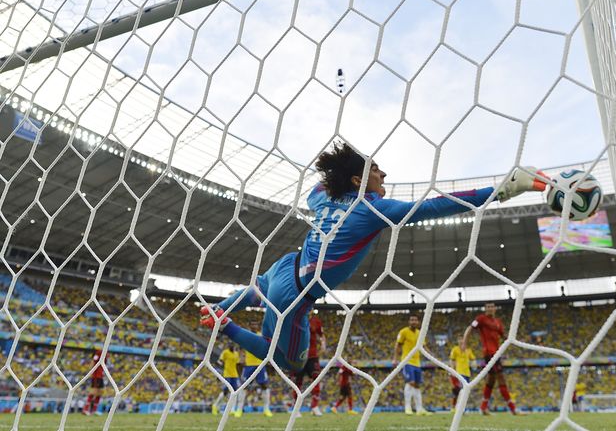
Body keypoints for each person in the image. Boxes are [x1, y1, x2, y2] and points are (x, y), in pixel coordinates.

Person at [200, 142, 547, 372]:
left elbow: (317, 190)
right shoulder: (372, 209)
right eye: (377, 170)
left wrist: (343, 176)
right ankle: (225, 324)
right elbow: (434, 206)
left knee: (256, 288)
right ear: (359, 180)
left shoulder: (322, 199)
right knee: (290, 362)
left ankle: (220, 308)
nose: (384, 176)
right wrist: (500, 190)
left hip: (283, 268)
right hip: (298, 293)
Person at [462, 302, 523, 415]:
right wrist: (465, 343)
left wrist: (514, 341)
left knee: (491, 380)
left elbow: (503, 336)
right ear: (485, 309)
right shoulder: (481, 319)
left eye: (492, 307)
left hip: (497, 354)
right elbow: (470, 328)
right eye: (488, 307)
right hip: (489, 354)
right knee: (501, 378)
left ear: (495, 309)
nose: (490, 309)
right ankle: (513, 409)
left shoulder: (498, 322)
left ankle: (483, 407)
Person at [289, 310, 326, 417]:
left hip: (312, 356)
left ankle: (314, 406)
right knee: (298, 382)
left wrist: (323, 344)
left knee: (316, 378)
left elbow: (321, 335)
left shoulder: (316, 321)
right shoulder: (295, 318)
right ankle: (296, 408)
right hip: (298, 356)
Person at [393, 314, 430, 415]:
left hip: (417, 362)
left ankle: (419, 409)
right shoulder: (403, 331)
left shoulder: (419, 333)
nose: (413, 322)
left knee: (417, 385)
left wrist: (432, 357)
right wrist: (395, 359)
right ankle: (408, 407)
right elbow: (398, 345)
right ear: (409, 322)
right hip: (407, 361)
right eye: (412, 320)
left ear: (418, 322)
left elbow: (424, 346)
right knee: (411, 382)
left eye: (415, 320)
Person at [237, 321, 274, 418]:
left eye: (256, 324)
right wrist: (241, 358)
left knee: (264, 386)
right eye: (252, 324)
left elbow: (267, 348)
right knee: (243, 386)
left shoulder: (261, 336)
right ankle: (239, 409)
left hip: (260, 364)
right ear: (249, 326)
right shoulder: (246, 335)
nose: (254, 326)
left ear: (258, 326)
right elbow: (241, 348)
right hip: (248, 365)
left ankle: (266, 409)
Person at [213, 345, 241, 417]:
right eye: (230, 345)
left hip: (235, 375)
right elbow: (220, 361)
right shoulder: (225, 352)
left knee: (235, 392)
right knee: (225, 391)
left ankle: (232, 409)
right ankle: (215, 405)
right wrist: (218, 373)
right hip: (227, 374)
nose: (232, 347)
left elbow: (237, 365)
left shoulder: (236, 354)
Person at [449, 335, 475, 411]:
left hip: (467, 373)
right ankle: (459, 408)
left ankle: (461, 407)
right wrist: (452, 370)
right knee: (460, 390)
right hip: (459, 373)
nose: (461, 341)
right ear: (458, 341)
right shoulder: (455, 349)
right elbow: (452, 360)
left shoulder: (468, 350)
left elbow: (473, 359)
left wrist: (473, 364)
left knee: (465, 391)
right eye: (459, 339)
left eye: (462, 339)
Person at [83, 349, 105, 415]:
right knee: (93, 392)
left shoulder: (104, 353)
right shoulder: (98, 353)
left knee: (99, 393)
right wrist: (91, 372)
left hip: (100, 376)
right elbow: (93, 361)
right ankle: (85, 409)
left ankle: (94, 410)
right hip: (96, 376)